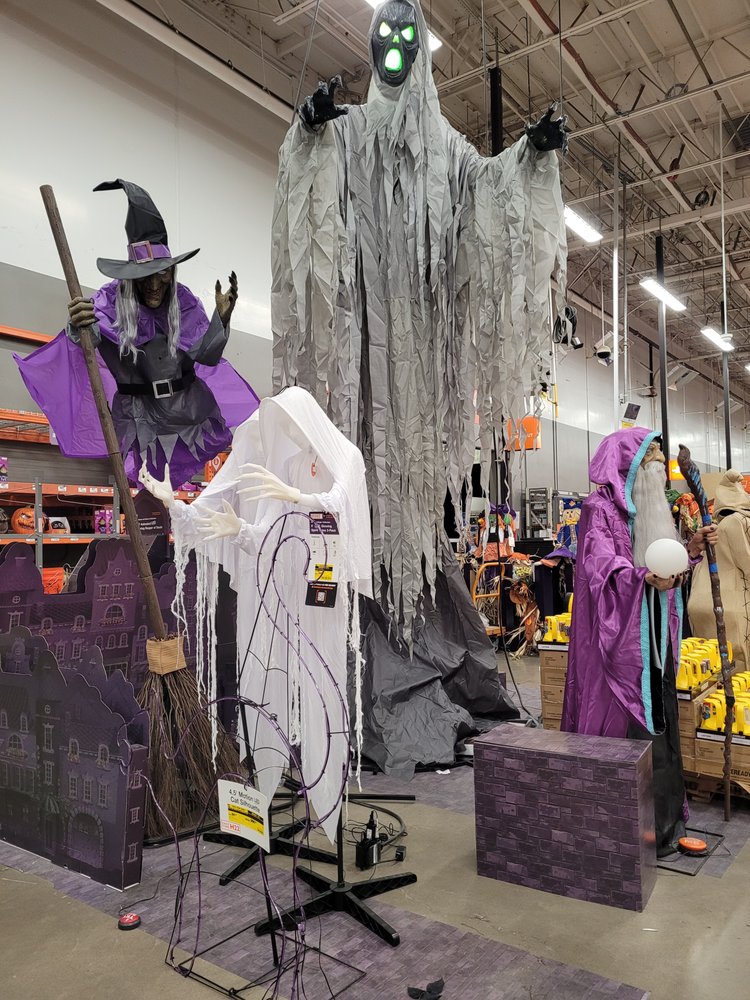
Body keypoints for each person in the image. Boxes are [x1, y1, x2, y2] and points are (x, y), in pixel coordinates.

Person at [140, 387, 372, 842]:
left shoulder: (343, 454)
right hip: (279, 592)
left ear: (305, 418)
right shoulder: (284, 467)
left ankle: (327, 797)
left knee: (323, 684)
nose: (283, 435)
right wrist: (182, 508)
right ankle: (262, 789)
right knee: (264, 681)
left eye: (288, 424)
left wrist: (296, 496)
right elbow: (263, 536)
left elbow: (340, 499)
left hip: (320, 593)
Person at [16, 179, 258, 487]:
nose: (154, 284)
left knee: (183, 488)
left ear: (172, 272)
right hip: (138, 416)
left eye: (162, 273)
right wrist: (77, 326)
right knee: (148, 488)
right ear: (131, 276)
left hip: (187, 411)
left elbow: (205, 357)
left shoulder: (183, 302)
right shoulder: (108, 302)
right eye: (145, 276)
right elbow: (87, 339)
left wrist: (221, 321)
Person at [562, 428, 716, 855]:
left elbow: (663, 560)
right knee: (628, 730)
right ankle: (627, 827)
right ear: (628, 467)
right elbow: (601, 568)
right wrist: (642, 577)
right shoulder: (599, 509)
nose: (659, 475)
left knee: (660, 723)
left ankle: (662, 824)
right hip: (617, 645)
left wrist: (690, 550)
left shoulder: (650, 508)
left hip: (653, 639)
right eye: (653, 465)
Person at [689, 470, 750, 670]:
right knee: (738, 665)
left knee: (710, 664)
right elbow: (746, 561)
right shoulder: (737, 522)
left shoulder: (716, 527)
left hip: (704, 601)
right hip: (734, 604)